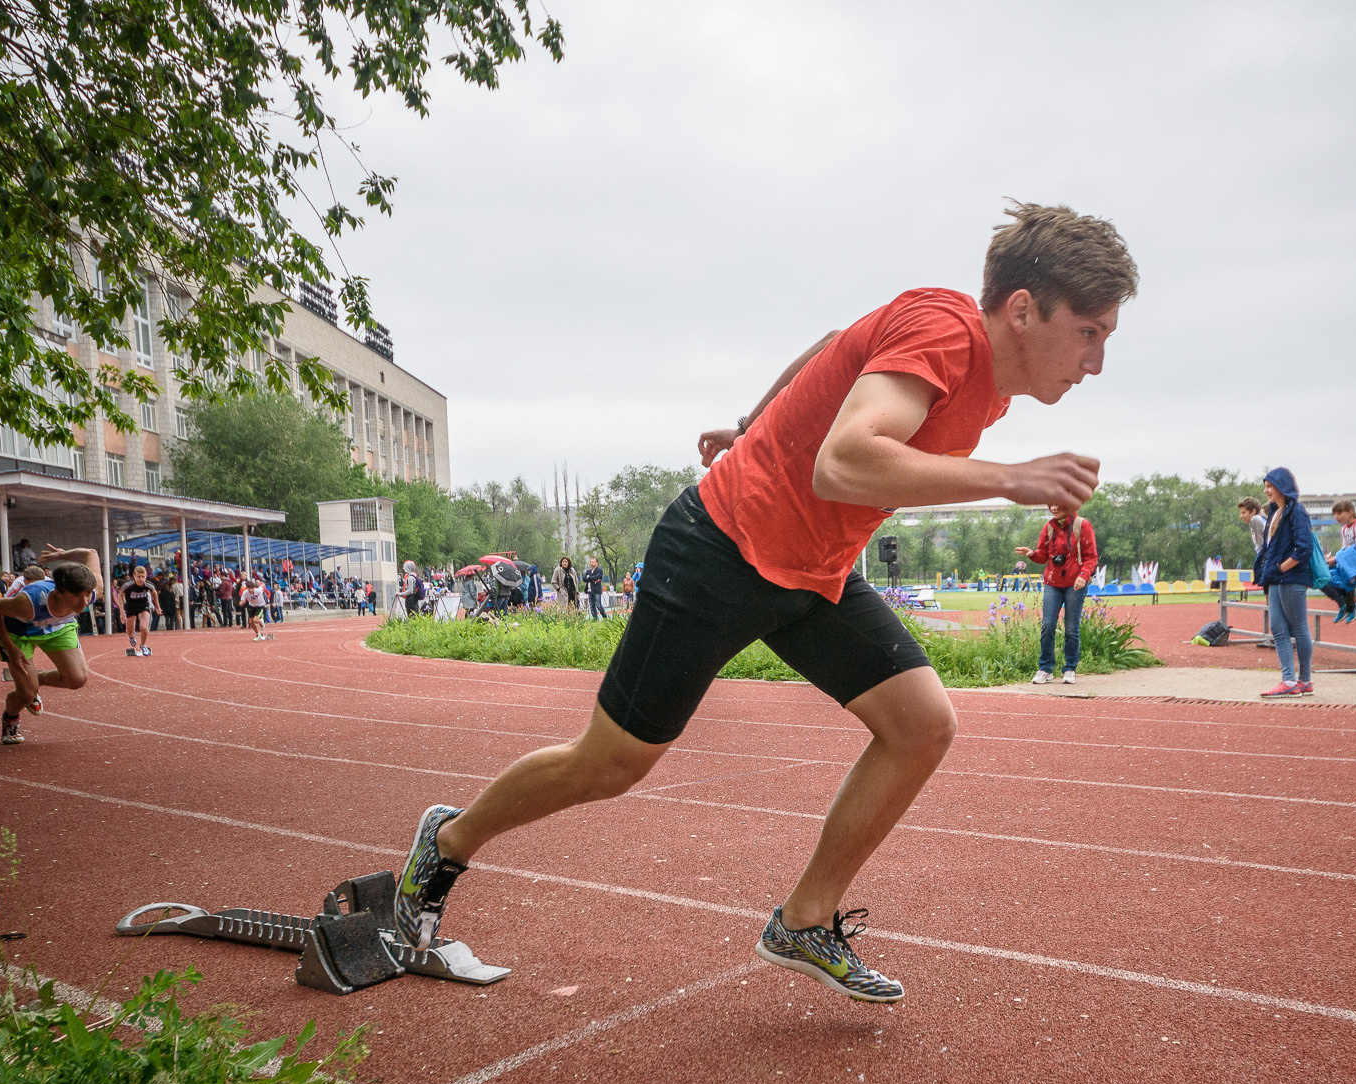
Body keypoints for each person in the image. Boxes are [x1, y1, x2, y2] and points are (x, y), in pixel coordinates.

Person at [382, 201, 1135, 1005]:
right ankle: (448, 839)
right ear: (1022, 309)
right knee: (608, 765)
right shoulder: (945, 335)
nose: (1095, 361)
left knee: (922, 725)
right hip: (720, 548)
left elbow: (836, 344)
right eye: (1088, 332)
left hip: (813, 572)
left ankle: (804, 920)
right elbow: (843, 462)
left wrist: (752, 421)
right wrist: (1010, 478)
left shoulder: (980, 379)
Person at [0, 546, 104, 744]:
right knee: (27, 694)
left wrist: (61, 556)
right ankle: (11, 716)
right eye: (75, 596)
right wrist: (10, 648)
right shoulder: (28, 603)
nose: (84, 602)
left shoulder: (92, 591)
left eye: (87, 595)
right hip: (21, 632)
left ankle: (34, 679)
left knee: (77, 679)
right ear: (58, 592)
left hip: (59, 628)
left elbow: (91, 553)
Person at [1014, 501, 1097, 684]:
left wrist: (1083, 575)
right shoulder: (1049, 527)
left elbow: (1091, 557)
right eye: (1051, 504)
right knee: (1047, 625)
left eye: (1058, 504)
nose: (1054, 508)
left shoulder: (1082, 525)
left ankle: (1070, 668)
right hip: (1053, 582)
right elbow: (1043, 555)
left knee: (1071, 628)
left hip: (1075, 584)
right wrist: (1032, 554)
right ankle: (1045, 668)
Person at [1255, 468, 1314, 697]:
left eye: (1269, 486)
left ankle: (1305, 679)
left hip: (1291, 579)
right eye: (1265, 486)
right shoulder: (1274, 512)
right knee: (1278, 629)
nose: (1266, 491)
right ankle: (1289, 680)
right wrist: (1268, 572)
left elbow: (1304, 548)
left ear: (1282, 487)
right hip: (1275, 579)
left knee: (1299, 628)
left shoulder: (1297, 511)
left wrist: (1281, 567)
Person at [1321, 500, 1356, 623]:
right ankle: (1344, 605)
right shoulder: (1344, 529)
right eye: (1335, 514)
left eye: (1339, 513)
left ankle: (1351, 607)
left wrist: (1338, 558)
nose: (1336, 517)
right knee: (1322, 576)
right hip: (1348, 562)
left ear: (1350, 512)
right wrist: (1332, 560)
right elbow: (1344, 549)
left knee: (1344, 568)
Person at [120, 566, 157, 656]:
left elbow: (154, 593)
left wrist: (157, 606)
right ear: (134, 576)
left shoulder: (148, 585)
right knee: (129, 630)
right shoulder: (128, 585)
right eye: (138, 577)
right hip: (130, 607)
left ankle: (143, 645)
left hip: (143, 607)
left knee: (144, 628)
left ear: (146, 576)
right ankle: (131, 636)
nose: (141, 579)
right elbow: (120, 595)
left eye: (143, 577)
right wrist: (122, 612)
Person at [239, 575, 271, 639]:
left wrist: (262, 584)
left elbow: (262, 586)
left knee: (255, 620)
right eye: (249, 588)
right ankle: (257, 634)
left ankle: (261, 621)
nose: (251, 590)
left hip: (260, 606)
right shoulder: (245, 592)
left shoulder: (258, 590)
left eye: (252, 588)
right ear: (247, 588)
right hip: (252, 606)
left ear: (254, 587)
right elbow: (243, 600)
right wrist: (241, 602)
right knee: (251, 622)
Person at [583, 556, 607, 620]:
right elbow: (584, 579)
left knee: (598, 605)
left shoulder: (599, 570)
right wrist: (592, 579)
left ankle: (604, 617)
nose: (591, 563)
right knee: (592, 606)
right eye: (591, 562)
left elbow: (597, 577)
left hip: (596, 591)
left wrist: (589, 577)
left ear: (597, 563)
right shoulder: (588, 571)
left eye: (593, 562)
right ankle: (595, 619)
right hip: (589, 591)